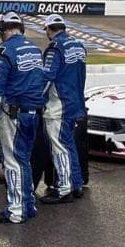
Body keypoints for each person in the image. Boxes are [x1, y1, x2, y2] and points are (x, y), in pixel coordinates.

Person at [0, 12, 46, 223]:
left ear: (3, 30)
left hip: (12, 114)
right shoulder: (35, 49)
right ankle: (28, 206)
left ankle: (16, 210)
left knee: (12, 162)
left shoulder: (4, 51)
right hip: (32, 113)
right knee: (23, 161)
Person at [39, 13, 87, 203]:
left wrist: (36, 100)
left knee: (59, 146)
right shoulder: (80, 46)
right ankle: (76, 184)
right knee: (69, 145)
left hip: (59, 104)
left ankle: (64, 188)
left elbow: (47, 78)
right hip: (75, 102)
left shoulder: (54, 48)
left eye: (47, 31)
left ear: (50, 30)